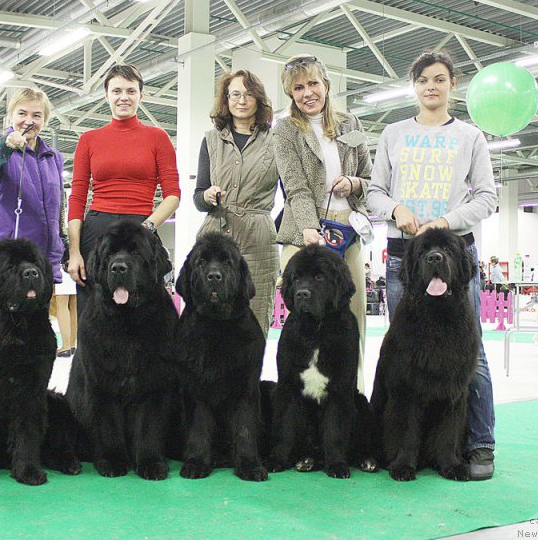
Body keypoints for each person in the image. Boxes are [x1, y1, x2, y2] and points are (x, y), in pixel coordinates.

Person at [367, 50, 498, 480]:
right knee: (401, 363)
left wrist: (445, 221)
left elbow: (487, 197)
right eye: (423, 79)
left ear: (452, 85)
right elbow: (374, 193)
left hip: (456, 253)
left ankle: (477, 446)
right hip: (407, 255)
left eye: (439, 79)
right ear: (414, 85)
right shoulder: (393, 133)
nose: (431, 87)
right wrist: (398, 208)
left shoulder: (471, 137)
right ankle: (398, 450)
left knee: (470, 355)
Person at [273, 54, 372, 391]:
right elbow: (295, 185)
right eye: (298, 88)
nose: (307, 93)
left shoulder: (351, 124)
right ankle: (298, 397)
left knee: (353, 317)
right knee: (301, 319)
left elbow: (370, 178)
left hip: (348, 229)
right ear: (291, 95)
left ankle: (351, 393)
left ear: (326, 86)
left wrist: (354, 183)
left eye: (313, 84)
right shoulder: (284, 130)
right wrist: (309, 229)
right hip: (305, 230)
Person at [67, 64, 180, 314]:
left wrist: (147, 228)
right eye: (117, 90)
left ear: (141, 94)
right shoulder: (89, 139)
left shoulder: (158, 138)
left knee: (146, 313)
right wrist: (74, 252)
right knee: (93, 315)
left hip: (141, 227)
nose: (124, 97)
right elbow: (77, 198)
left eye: (131, 91)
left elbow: (173, 194)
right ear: (106, 95)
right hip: (97, 232)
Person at [193, 70, 279, 335]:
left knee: (255, 319)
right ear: (226, 99)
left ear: (259, 99)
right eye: (235, 94)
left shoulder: (276, 142)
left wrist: (270, 228)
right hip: (215, 238)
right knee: (208, 323)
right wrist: (206, 197)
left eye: (249, 94)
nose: (242, 100)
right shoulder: (210, 140)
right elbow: (198, 196)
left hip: (259, 244)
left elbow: (293, 195)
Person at [0, 88, 66, 287]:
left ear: (45, 121)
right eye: (22, 113)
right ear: (10, 117)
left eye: (36, 115)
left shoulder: (54, 158)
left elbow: (58, 211)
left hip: (41, 265)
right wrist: (6, 145)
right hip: (2, 266)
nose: (29, 120)